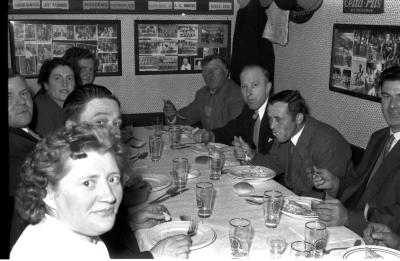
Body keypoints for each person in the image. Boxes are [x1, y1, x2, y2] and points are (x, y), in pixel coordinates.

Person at [63, 84, 192, 258]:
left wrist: (129, 223)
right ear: (71, 127)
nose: (114, 132)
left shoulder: (89, 166)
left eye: (116, 123)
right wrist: (154, 256)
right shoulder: (67, 182)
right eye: (100, 122)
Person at [10, 123, 124, 260]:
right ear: (47, 194)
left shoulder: (75, 231)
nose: (110, 196)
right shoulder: (47, 253)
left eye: (113, 179)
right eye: (87, 183)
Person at [311, 65, 400, 236]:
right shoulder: (379, 137)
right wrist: (334, 183)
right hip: (350, 229)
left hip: (380, 239)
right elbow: (357, 183)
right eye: (386, 96)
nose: (393, 106)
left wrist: (349, 218)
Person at [236, 90, 353, 199]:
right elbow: (273, 165)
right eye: (270, 119)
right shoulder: (286, 132)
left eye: (278, 119)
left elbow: (327, 195)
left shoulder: (328, 143)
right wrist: (251, 155)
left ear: (298, 118)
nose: (272, 126)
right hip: (294, 198)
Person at [193, 65, 274, 155]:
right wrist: (210, 135)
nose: (248, 92)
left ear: (267, 87)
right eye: (244, 86)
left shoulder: (277, 115)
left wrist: (251, 154)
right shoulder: (249, 108)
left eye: (254, 85)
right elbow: (232, 130)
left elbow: (276, 161)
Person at [163, 54, 244, 130]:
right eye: (205, 70)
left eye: (215, 69)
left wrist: (209, 136)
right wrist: (172, 115)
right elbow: (187, 116)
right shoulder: (202, 93)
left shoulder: (237, 95)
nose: (209, 74)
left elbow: (235, 130)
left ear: (226, 72)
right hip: (210, 143)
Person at [8, 70, 41, 249]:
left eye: (24, 93)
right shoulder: (16, 148)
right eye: (8, 97)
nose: (21, 101)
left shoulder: (23, 131)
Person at [31, 57, 79, 137]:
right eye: (57, 78)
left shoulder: (72, 105)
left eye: (70, 78)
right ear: (46, 84)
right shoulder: (40, 110)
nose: (65, 84)